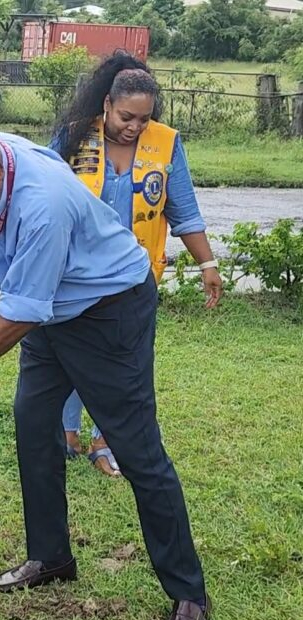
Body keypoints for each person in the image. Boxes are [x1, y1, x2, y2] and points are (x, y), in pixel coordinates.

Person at [0, 123, 210, 620]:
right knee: (34, 422)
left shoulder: (42, 205)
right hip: (53, 309)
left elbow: (16, 317)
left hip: (108, 311)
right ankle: (51, 555)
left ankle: (189, 595)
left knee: (137, 450)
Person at [51, 53, 223, 477]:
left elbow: (184, 212)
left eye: (143, 119)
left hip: (133, 282)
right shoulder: (73, 137)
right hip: (73, 278)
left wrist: (208, 265)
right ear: (107, 104)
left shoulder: (166, 143)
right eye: (127, 116)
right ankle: (65, 432)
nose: (135, 126)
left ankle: (107, 441)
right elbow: (40, 195)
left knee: (128, 366)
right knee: (69, 355)